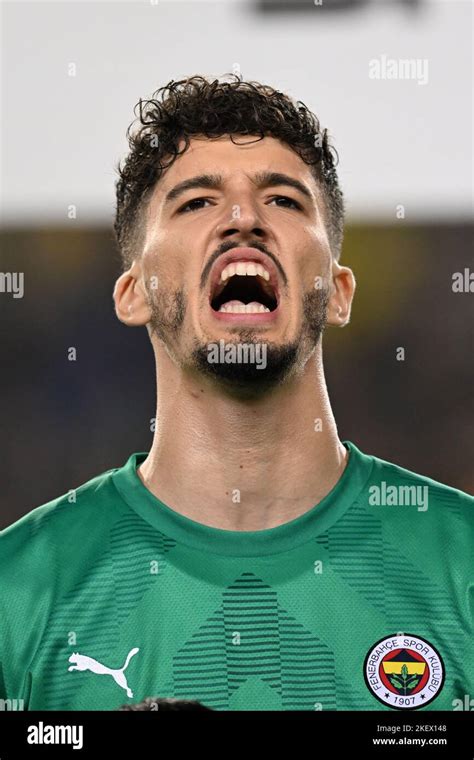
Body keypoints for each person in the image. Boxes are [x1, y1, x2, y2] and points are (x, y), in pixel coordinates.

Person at [0, 75, 472, 712]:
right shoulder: (19, 590)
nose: (243, 218)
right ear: (132, 291)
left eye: (282, 199)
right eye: (195, 203)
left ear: (338, 292)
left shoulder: (462, 566)